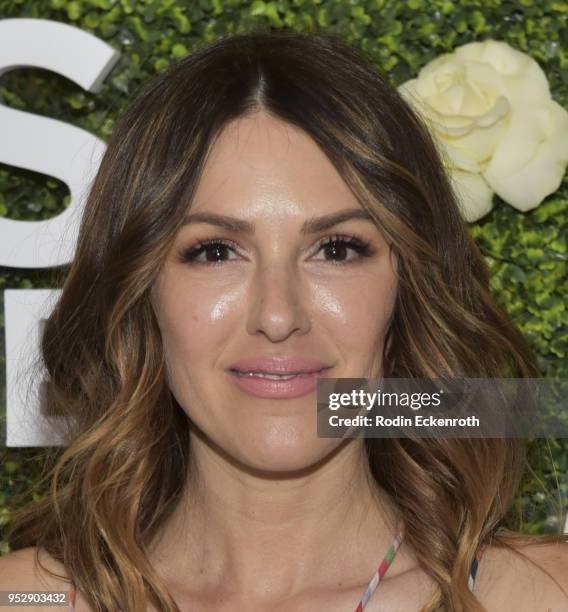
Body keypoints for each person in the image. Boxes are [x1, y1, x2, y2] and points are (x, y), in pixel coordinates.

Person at [1, 30, 567, 612]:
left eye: (337, 249)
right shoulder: (29, 598)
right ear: (141, 291)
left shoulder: (541, 594)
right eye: (216, 251)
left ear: (408, 287)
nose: (277, 316)